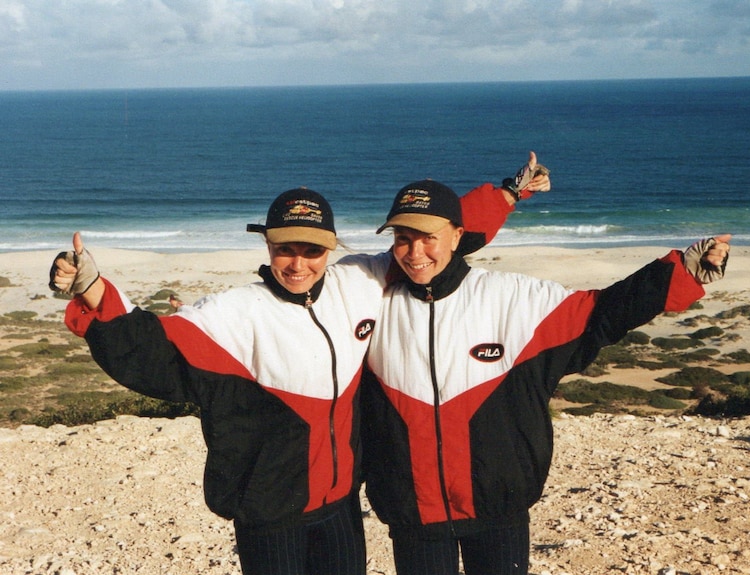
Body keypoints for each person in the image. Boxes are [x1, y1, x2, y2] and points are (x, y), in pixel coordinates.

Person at [47, 154, 551, 575]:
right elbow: (151, 351)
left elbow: (438, 236)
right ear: (267, 246)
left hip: (340, 508)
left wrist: (508, 193)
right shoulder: (233, 313)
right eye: (285, 249)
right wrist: (92, 290)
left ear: (331, 250)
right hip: (270, 513)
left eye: (311, 250)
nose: (297, 263)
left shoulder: (362, 281)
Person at [360, 180, 731, 575]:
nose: (415, 252)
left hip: (498, 508)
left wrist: (684, 271)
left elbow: (603, 311)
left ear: (457, 235)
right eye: (403, 238)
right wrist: (507, 195)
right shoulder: (368, 298)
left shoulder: (515, 299)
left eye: (428, 237)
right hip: (413, 512)